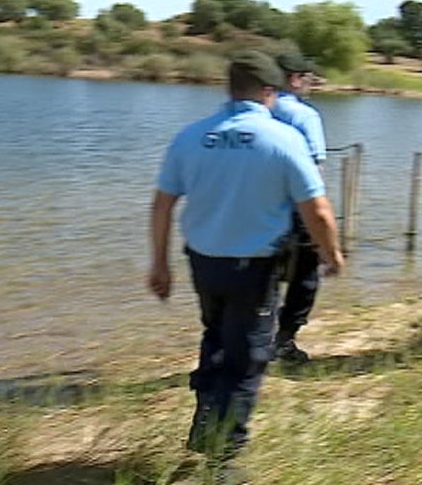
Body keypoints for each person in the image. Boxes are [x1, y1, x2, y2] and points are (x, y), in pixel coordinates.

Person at [147, 50, 344, 470]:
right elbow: (319, 211)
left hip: (203, 262)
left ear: (230, 88)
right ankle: (223, 462)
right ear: (269, 92)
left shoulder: (191, 136)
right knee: (247, 358)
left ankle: (205, 419)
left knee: (215, 337)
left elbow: (161, 205)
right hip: (253, 268)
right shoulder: (282, 139)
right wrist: (332, 254)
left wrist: (158, 265)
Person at [270, 51, 328, 363]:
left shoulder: (256, 111)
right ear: (294, 79)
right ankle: (285, 339)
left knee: (262, 271)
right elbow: (315, 171)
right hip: (295, 207)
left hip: (256, 206)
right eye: (307, 79)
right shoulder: (305, 116)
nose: (310, 85)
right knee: (306, 274)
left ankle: (255, 336)